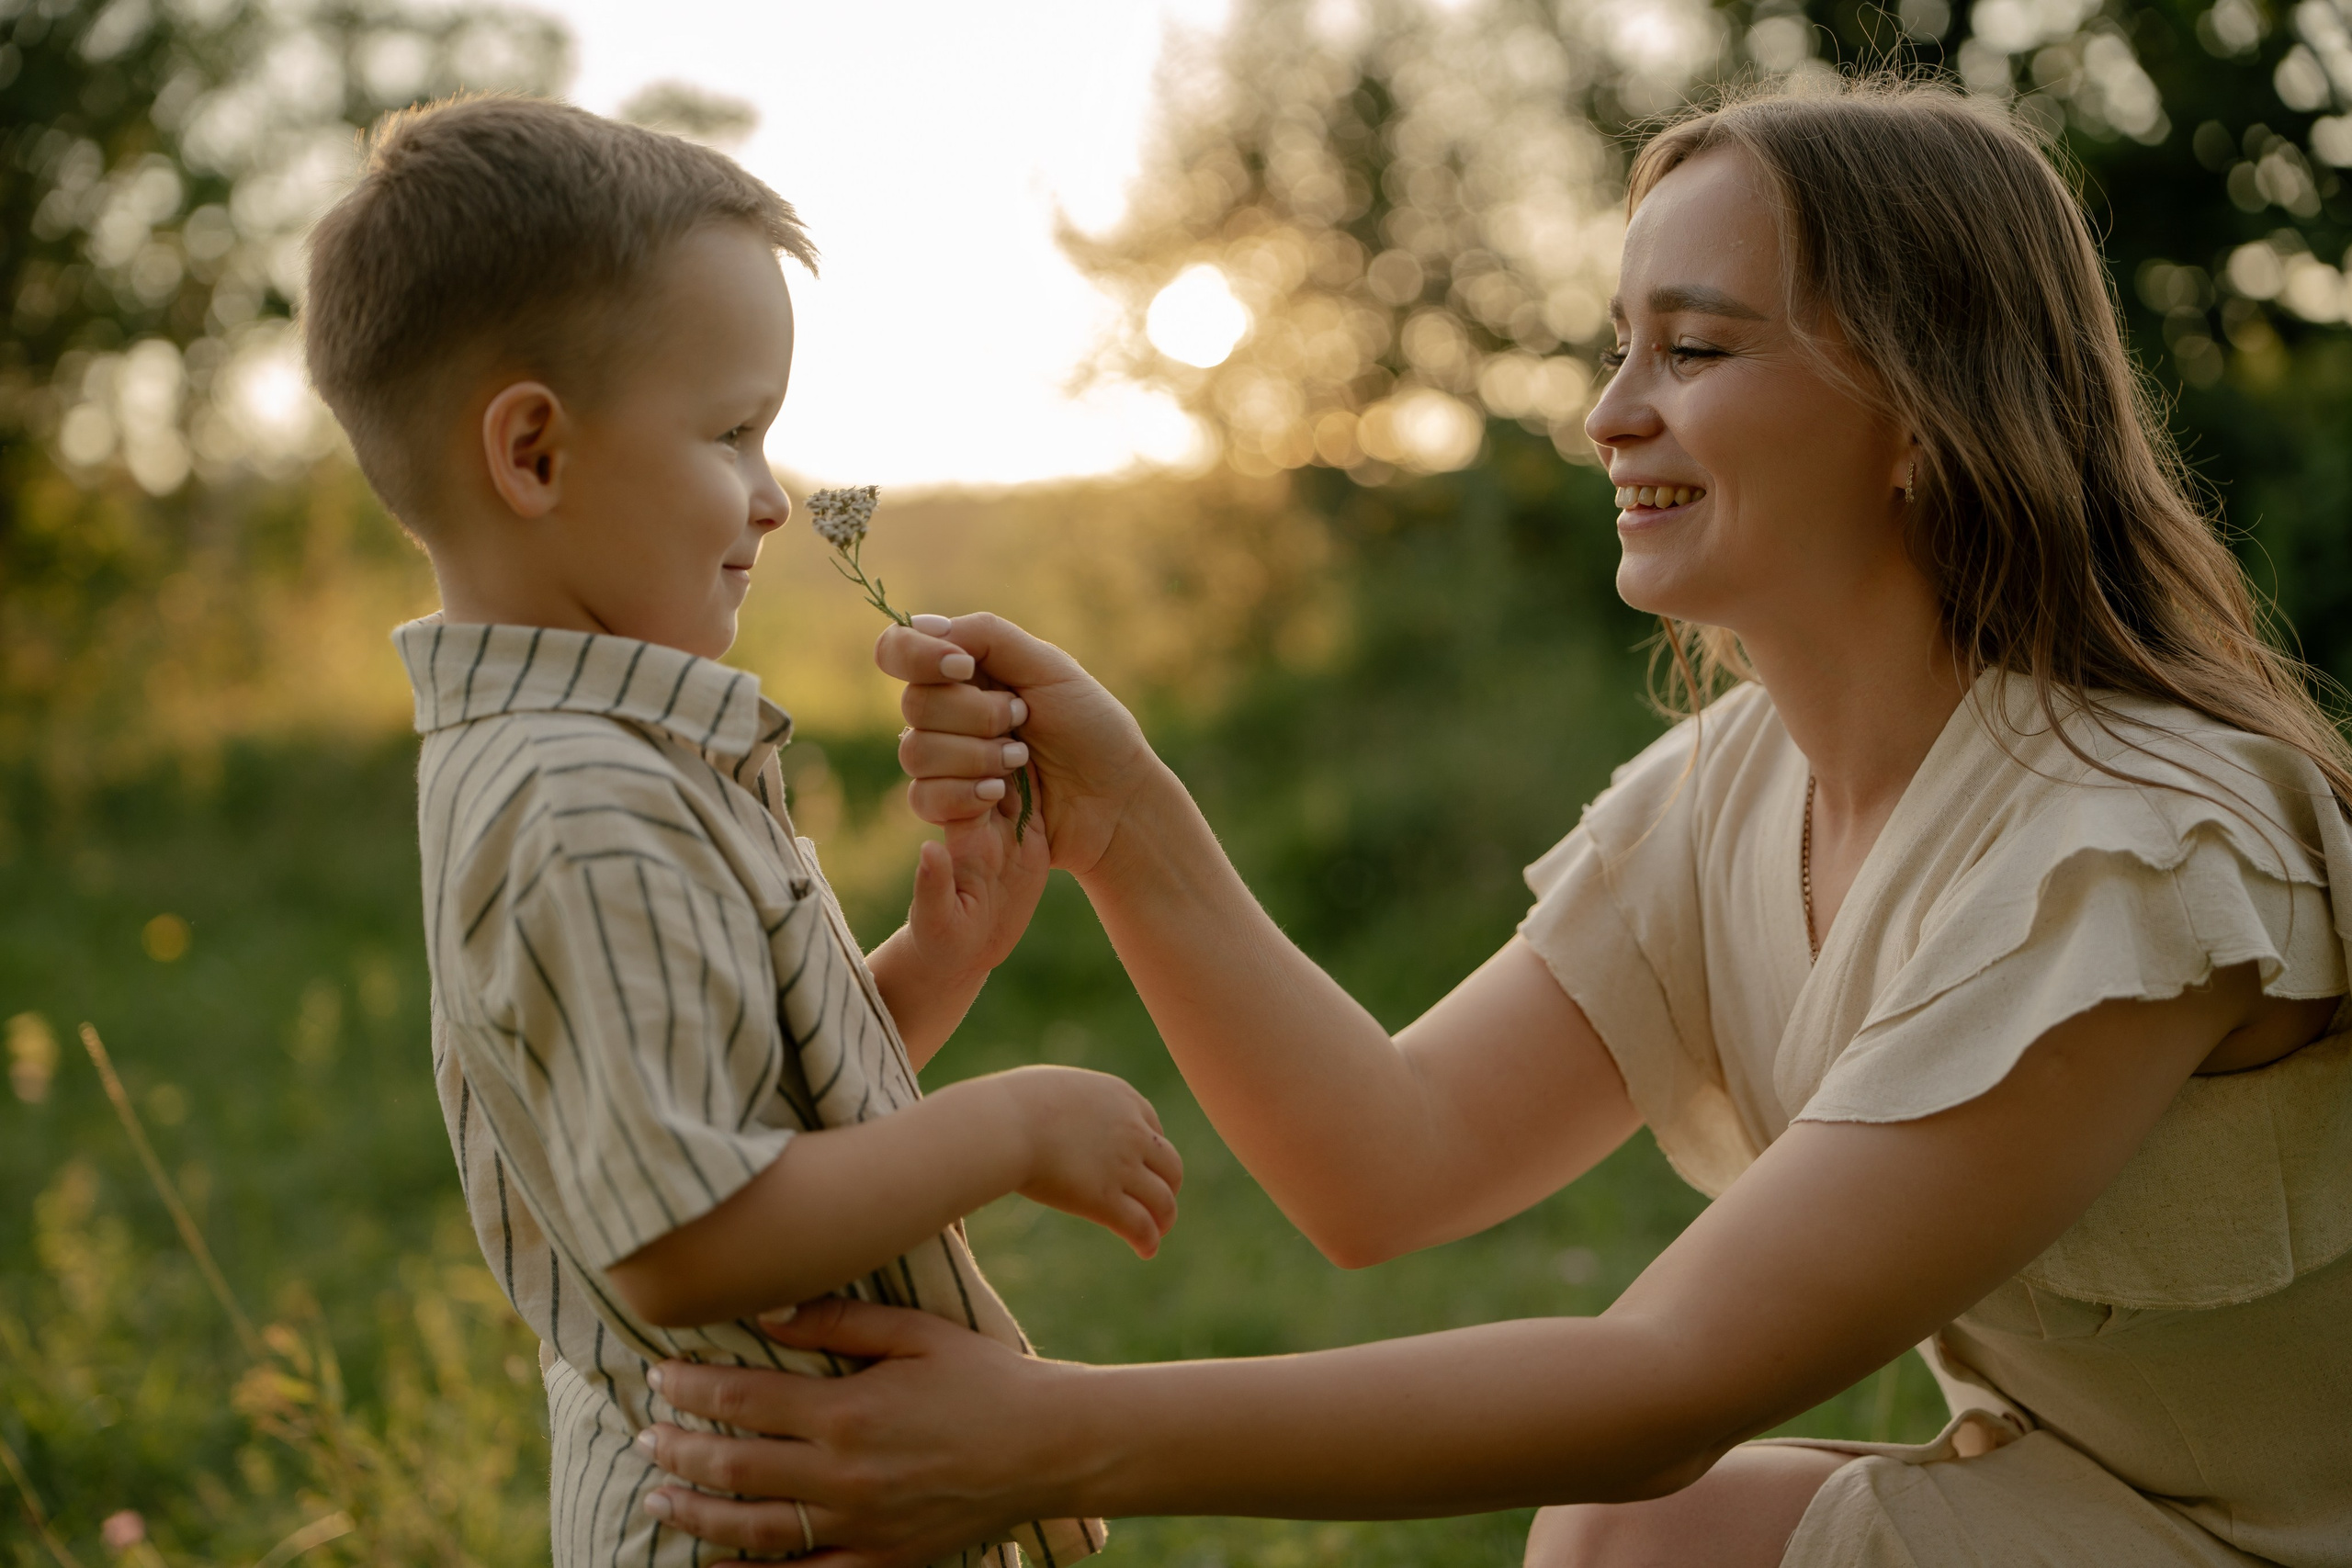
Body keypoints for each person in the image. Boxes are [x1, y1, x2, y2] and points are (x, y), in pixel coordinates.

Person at [626, 81, 2352, 1568]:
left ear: (1921, 409)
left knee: (1642, 1514)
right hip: (2114, 1519)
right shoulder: (1725, 800)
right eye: (1620, 348)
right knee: (1642, 1539)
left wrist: (1054, 1434)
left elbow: (1666, 1385)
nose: (1610, 412)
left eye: (1694, 347)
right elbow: (1392, 1161)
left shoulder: (2134, 850)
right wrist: (1127, 826)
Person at [300, 96, 1183, 1567]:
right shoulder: (583, 808)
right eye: (733, 432)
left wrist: (937, 963)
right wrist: (1011, 1124)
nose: (775, 500)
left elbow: (730, 1117)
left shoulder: (597, 757)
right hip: (769, 1522)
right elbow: (694, 1237)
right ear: (533, 453)